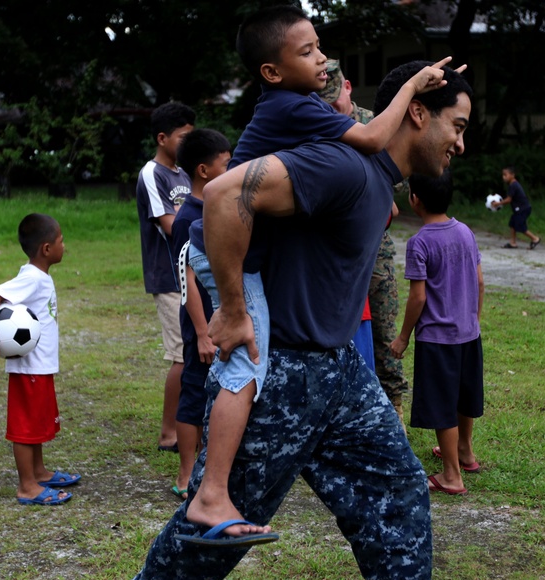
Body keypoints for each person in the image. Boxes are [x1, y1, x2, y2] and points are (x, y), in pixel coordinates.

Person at [86, 59, 481, 580]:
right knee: (224, 519)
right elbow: (225, 196)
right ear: (418, 112)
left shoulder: (373, 174)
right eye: (456, 124)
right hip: (284, 376)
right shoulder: (344, 167)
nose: (461, 142)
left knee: (399, 486)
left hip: (339, 373)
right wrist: (234, 308)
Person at [183, 4, 460, 538]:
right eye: (307, 51)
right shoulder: (290, 106)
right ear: (272, 71)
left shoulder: (295, 104)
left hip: (245, 257)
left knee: (246, 364)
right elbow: (374, 138)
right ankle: (211, 495)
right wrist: (415, 85)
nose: (322, 58)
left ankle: (213, 492)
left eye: (320, 47)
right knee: (243, 365)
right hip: (224, 252)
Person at [322, 58, 410, 424]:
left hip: (375, 248)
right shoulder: (320, 125)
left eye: (335, 102)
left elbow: (402, 182)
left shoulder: (378, 123)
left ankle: (393, 409)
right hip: (333, 246)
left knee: (385, 331)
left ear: (347, 87)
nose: (332, 110)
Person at [389, 170, 484, 496]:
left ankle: (451, 476)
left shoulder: (420, 243)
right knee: (463, 395)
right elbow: (480, 280)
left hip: (437, 338)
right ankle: (465, 453)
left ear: (414, 199)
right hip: (469, 333)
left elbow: (418, 296)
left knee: (444, 404)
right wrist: (473, 318)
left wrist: (403, 337)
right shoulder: (466, 232)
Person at [0, 213, 81, 506]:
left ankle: (38, 471)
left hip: (40, 366)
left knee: (37, 424)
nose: (65, 245)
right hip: (29, 369)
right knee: (25, 428)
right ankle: (27, 487)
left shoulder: (39, 276)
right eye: (61, 241)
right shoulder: (31, 278)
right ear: (46, 249)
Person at [168, 128, 232, 500]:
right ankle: (185, 472)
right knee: (194, 392)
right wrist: (202, 332)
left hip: (225, 319)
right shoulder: (187, 218)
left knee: (222, 391)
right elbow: (185, 277)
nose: (234, 169)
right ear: (204, 171)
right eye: (227, 164)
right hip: (201, 325)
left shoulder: (219, 206)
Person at [136, 101, 195, 453]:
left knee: (198, 351)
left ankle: (190, 424)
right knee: (181, 356)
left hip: (194, 273)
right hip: (170, 277)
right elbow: (172, 227)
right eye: (183, 137)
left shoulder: (186, 173)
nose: (188, 144)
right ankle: (168, 432)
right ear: (162, 138)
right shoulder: (152, 174)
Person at [492, 166, 541, 250]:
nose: (504, 177)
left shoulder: (513, 185)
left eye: (505, 175)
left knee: (520, 226)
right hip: (519, 209)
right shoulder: (512, 185)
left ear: (512, 175)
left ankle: (535, 239)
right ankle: (513, 243)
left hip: (523, 209)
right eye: (503, 175)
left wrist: (498, 203)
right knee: (512, 224)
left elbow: (508, 200)